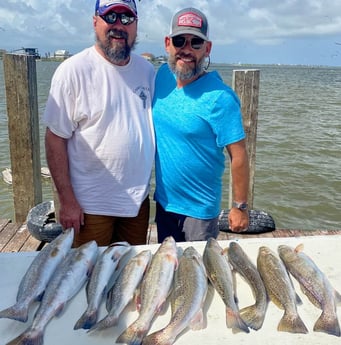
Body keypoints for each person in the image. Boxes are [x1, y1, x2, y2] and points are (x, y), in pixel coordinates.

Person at [43, 0, 155, 247]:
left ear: (136, 25)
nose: (118, 25)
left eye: (126, 18)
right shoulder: (72, 71)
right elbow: (55, 138)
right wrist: (67, 200)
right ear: (95, 21)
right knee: (87, 278)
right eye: (110, 16)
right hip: (89, 207)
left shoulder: (148, 71)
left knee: (131, 274)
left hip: (137, 204)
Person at [152, 7, 250, 242]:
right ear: (168, 43)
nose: (186, 49)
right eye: (179, 41)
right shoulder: (161, 76)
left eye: (196, 42)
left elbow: (239, 156)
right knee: (167, 272)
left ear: (207, 49)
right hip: (164, 203)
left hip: (200, 214)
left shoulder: (221, 98)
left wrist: (240, 206)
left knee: (199, 275)